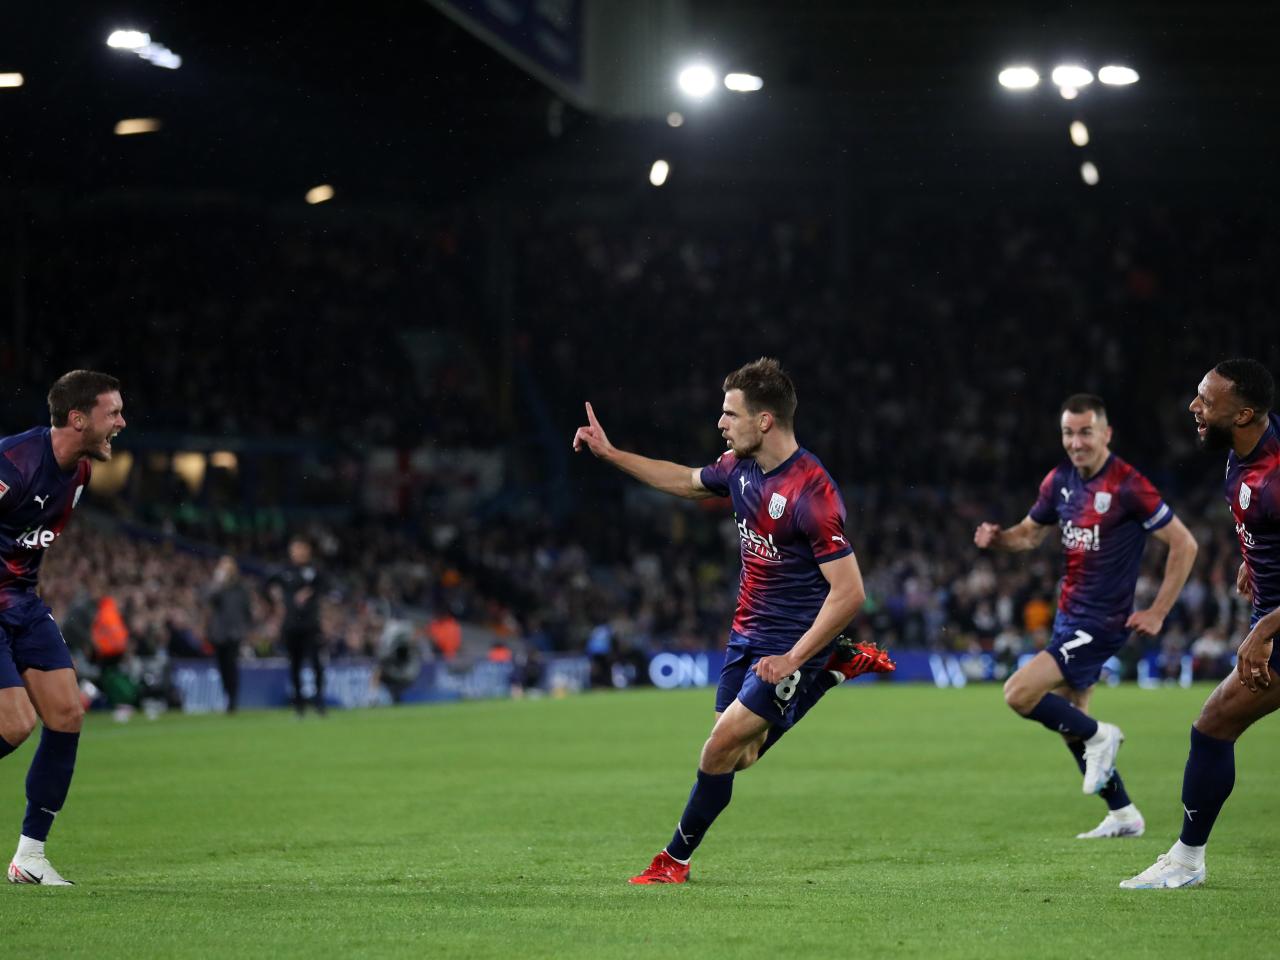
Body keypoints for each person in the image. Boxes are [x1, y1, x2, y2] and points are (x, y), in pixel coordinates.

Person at [572, 357, 894, 885]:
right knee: (739, 757)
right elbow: (683, 480)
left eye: (730, 413)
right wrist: (610, 454)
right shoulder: (738, 467)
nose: (720, 423)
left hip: (791, 641)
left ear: (764, 420)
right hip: (745, 634)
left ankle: (672, 860)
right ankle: (836, 667)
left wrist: (795, 657)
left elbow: (850, 592)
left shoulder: (813, 494)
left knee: (716, 749)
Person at [975, 394, 1197, 840]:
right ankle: (1123, 814)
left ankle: (1102, 736)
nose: (1076, 442)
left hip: (1100, 621)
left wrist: (1158, 611)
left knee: (1019, 693)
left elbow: (1184, 544)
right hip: (1068, 616)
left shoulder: (1129, 485)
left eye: (1085, 432)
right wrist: (999, 539)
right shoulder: (1059, 481)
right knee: (1069, 720)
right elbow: (1029, 536)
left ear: (1106, 434)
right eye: (1068, 433)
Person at [1122, 359, 1279, 889]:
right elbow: (1261, 519)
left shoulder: (1275, 476)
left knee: (1212, 727)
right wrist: (1253, 557)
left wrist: (1263, 632)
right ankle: (1187, 859)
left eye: (1207, 401)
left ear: (1244, 414)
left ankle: (1187, 861)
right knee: (1214, 726)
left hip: (1275, 629)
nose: (1195, 407)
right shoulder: (1246, 450)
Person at [2, 370, 126, 886]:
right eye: (112, 413)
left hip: (22, 603)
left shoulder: (78, 475)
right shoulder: (13, 462)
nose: (121, 422)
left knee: (67, 715)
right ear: (78, 419)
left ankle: (29, 857)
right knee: (14, 724)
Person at [269, 537, 327, 716]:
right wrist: (276, 599)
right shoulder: (283, 571)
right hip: (292, 626)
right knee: (295, 665)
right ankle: (299, 705)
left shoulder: (316, 570)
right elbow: (268, 585)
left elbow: (326, 587)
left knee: (317, 664)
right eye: (296, 549)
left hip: (311, 625)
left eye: (302, 549)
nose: (299, 553)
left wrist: (311, 592)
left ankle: (319, 702)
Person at [206, 555, 252, 714]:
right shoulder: (218, 586)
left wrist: (245, 628)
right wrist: (218, 582)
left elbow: (247, 610)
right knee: (222, 666)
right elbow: (209, 598)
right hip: (219, 633)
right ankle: (227, 696)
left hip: (234, 633)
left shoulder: (240, 588)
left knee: (231, 666)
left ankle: (232, 699)